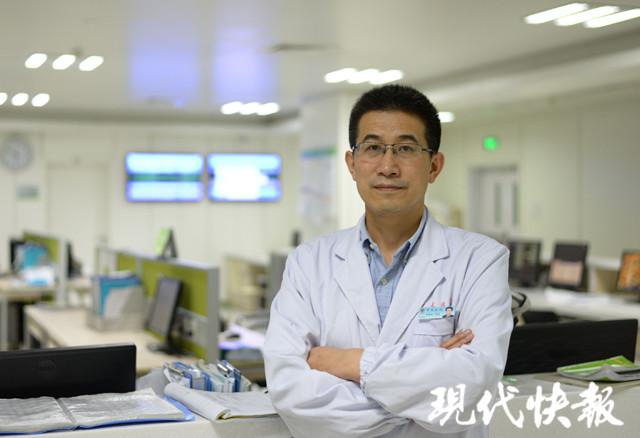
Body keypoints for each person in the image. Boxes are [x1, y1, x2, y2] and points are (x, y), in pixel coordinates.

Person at [264, 84, 513, 437]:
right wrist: (419, 392)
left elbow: (473, 385)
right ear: (352, 164)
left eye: (406, 149)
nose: (388, 166)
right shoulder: (308, 263)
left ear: (434, 166)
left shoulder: (480, 259)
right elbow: (290, 389)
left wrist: (350, 363)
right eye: (373, 148)